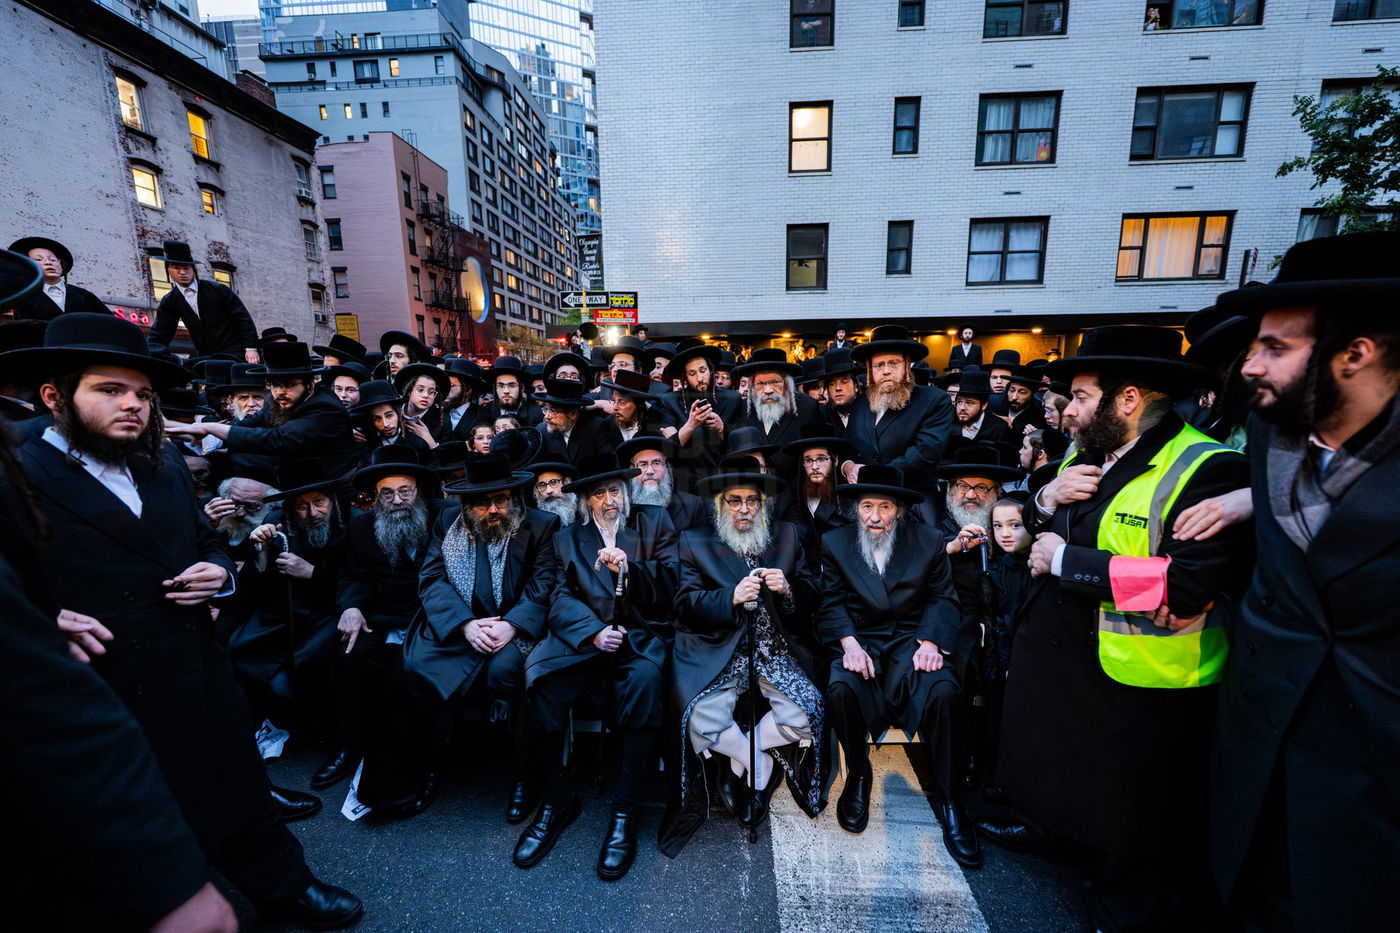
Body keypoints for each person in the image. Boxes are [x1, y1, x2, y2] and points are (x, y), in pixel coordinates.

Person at [1, 312, 361, 928]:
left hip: (193, 657)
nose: (133, 406)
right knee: (135, 803)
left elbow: (207, 541)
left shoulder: (161, 465)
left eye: (142, 394)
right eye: (110, 391)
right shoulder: (17, 474)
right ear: (55, 396)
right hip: (101, 681)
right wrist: (41, 617)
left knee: (237, 781)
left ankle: (285, 885)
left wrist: (221, 571)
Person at [997, 325, 1252, 932]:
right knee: (1078, 777)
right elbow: (1039, 528)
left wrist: (1063, 561)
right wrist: (1044, 499)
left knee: (1134, 813)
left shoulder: (1207, 468)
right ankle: (1058, 835)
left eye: (1081, 397)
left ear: (1128, 398)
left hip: (1149, 676)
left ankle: (1125, 912)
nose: (1068, 411)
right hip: (1075, 657)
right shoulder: (1086, 453)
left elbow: (1186, 587)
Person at [1207, 232, 1400, 932]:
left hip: (1371, 779)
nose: (1249, 364)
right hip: (1257, 750)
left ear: (1355, 355)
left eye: (1275, 348)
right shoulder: (1268, 431)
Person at [360, 455, 559, 822]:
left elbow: (544, 584)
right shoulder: (448, 521)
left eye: (502, 499)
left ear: (514, 498)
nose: (494, 509)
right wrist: (465, 625)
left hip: (513, 627)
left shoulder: (542, 525)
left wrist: (511, 625)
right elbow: (432, 578)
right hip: (457, 624)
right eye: (483, 502)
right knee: (413, 672)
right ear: (467, 505)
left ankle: (523, 777)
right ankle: (423, 769)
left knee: (511, 674)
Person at [515, 453, 678, 878]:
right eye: (598, 494)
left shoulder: (654, 521)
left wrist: (631, 568)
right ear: (585, 501)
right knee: (542, 683)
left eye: (614, 491)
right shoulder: (567, 537)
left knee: (644, 681)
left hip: (639, 637)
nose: (609, 500)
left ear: (625, 493)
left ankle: (624, 810)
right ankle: (555, 800)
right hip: (585, 641)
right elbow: (558, 595)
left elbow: (674, 582)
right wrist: (591, 632)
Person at [815, 465, 977, 865]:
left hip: (912, 637)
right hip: (860, 638)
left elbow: (943, 597)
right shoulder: (835, 542)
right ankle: (857, 774)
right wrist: (849, 644)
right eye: (866, 505)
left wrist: (932, 641)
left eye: (884, 507)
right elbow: (830, 600)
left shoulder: (929, 540)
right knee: (840, 688)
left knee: (944, 690)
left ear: (899, 510)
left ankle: (950, 797)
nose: (873, 516)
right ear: (856, 509)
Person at [661, 460, 822, 855]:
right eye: (734, 501)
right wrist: (729, 597)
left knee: (810, 710)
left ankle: (744, 751)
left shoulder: (786, 535)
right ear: (720, 504)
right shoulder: (694, 539)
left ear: (763, 504)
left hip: (775, 648)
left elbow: (814, 595)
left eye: (752, 500)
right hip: (718, 648)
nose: (744, 508)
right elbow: (684, 604)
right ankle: (758, 764)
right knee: (696, 713)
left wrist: (788, 591)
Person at [316, 446, 446, 791]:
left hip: (432, 618)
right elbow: (352, 576)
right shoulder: (362, 528)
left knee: (420, 671)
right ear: (376, 496)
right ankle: (349, 746)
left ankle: (426, 760)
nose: (397, 500)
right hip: (382, 616)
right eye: (387, 493)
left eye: (405, 491)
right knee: (351, 655)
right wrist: (351, 607)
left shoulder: (443, 518)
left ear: (418, 491)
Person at [224, 460, 347, 751]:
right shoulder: (280, 519)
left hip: (330, 608)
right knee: (241, 647)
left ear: (332, 500)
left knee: (308, 658)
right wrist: (260, 547)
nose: (313, 513)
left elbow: (357, 579)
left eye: (319, 502)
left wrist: (313, 573)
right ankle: (265, 720)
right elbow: (257, 579)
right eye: (302, 506)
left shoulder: (350, 523)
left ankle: (312, 727)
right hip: (283, 607)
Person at [166, 341, 357, 480]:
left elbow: (278, 439)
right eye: (274, 384)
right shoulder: (275, 401)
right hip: (294, 477)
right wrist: (183, 429)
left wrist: (211, 429)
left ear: (310, 383)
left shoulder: (324, 407)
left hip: (332, 487)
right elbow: (244, 425)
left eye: (289, 384)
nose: (280, 392)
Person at [842, 324, 956, 504]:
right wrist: (848, 466)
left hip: (913, 500)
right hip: (865, 501)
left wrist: (873, 476)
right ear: (870, 371)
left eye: (893, 363)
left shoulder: (934, 400)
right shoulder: (861, 403)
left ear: (907, 366)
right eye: (878, 365)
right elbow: (848, 446)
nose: (885, 370)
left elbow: (924, 454)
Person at [147, 241, 259, 362]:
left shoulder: (218, 290)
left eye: (186, 268)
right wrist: (148, 353)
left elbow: (243, 318)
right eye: (176, 268)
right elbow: (161, 331)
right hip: (207, 356)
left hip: (237, 352)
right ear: (168, 270)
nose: (183, 272)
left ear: (193, 269)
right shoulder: (170, 301)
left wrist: (251, 348)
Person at [653, 342, 743, 490]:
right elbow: (667, 449)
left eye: (703, 370)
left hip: (725, 480)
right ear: (685, 377)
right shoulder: (670, 401)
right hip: (687, 482)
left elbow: (741, 443)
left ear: (711, 370)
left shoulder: (733, 399)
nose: (700, 378)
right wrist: (690, 425)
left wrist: (722, 429)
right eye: (692, 373)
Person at [731, 347, 826, 477]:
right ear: (752, 385)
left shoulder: (808, 407)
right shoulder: (742, 409)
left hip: (793, 491)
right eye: (760, 384)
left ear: (787, 383)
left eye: (775, 382)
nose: (768, 390)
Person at [775, 423, 852, 575]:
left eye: (822, 459)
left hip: (842, 573)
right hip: (809, 574)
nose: (815, 466)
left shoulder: (847, 497)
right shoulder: (796, 493)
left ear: (835, 460)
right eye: (808, 460)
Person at [617, 433, 708, 532]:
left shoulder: (692, 507)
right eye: (643, 464)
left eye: (656, 463)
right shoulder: (620, 508)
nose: (650, 471)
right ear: (632, 469)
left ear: (668, 468)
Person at [7, 235, 110, 319]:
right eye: (39, 259)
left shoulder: (84, 295)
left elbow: (110, 322)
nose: (48, 263)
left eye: (53, 260)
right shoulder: (24, 296)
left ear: (61, 265)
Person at [536, 378, 608, 465]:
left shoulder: (596, 427)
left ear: (573, 413)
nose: (547, 416)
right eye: (546, 409)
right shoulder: (542, 430)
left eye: (554, 411)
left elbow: (606, 465)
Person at [596, 368, 667, 446]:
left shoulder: (657, 424)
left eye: (622, 401)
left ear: (638, 404)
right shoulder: (606, 426)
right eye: (613, 400)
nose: (615, 407)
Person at [394, 361, 448, 448]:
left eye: (431, 392)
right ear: (409, 391)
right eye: (420, 390)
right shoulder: (394, 412)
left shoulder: (443, 420)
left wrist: (430, 441)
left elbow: (446, 458)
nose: (426, 395)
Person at [435, 358, 489, 442]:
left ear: (468, 390)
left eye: (452, 386)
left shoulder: (482, 416)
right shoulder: (436, 413)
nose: (446, 390)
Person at [950, 370, 1011, 443]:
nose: (962, 407)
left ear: (984, 405)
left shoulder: (999, 428)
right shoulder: (948, 422)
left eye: (969, 403)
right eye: (959, 402)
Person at [484, 355, 543, 427]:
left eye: (511, 385)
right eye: (501, 386)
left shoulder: (535, 413)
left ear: (522, 387)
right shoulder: (487, 410)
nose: (506, 391)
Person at [528, 460, 579, 526]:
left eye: (554, 482)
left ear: (566, 483)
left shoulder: (585, 515)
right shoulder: (533, 523)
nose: (548, 491)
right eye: (542, 485)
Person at [821, 347, 862, 431]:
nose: (838, 388)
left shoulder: (869, 412)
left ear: (856, 386)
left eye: (844, 382)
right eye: (832, 384)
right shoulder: (820, 417)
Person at [1005, 366, 1047, 435]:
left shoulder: (1041, 417)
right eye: (1012, 390)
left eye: (1022, 392)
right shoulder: (995, 406)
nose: (1014, 397)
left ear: (1032, 394)